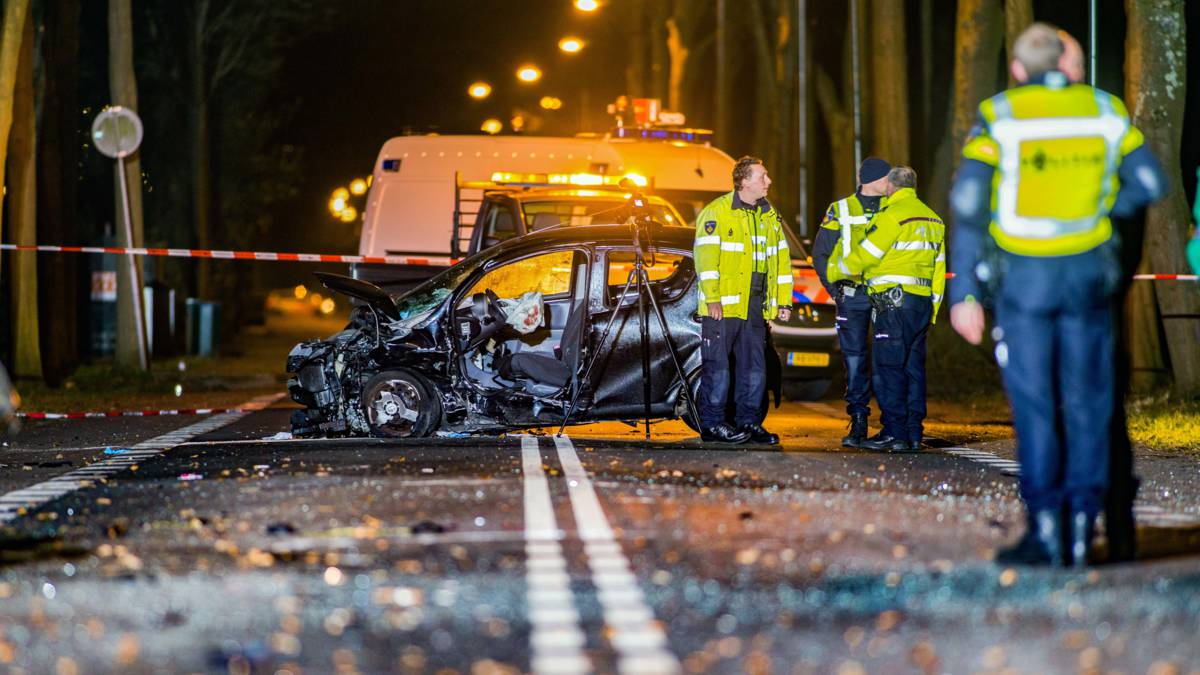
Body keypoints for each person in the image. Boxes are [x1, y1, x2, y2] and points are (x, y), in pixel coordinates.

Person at [948, 24, 1166, 567]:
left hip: (1025, 281)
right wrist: (1098, 212)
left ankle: (1046, 529)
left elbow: (969, 200)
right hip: (1088, 276)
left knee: (1036, 404)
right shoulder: (1105, 110)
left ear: (1019, 69)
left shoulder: (1002, 114)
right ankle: (1084, 528)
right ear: (1066, 66)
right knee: (1091, 402)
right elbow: (1151, 184)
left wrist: (967, 293)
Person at [829, 166, 945, 452]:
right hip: (921, 304)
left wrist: (836, 269)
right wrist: (933, 310)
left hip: (892, 305)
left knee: (888, 369)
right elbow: (940, 270)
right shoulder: (934, 219)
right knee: (913, 370)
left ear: (891, 187)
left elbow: (866, 256)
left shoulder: (892, 216)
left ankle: (894, 432)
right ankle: (914, 432)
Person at [693, 156, 794, 444]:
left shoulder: (768, 215)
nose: (769, 181)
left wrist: (782, 302)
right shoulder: (718, 213)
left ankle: (748, 423)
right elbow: (706, 261)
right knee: (719, 367)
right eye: (763, 176)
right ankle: (713, 424)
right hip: (722, 307)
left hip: (754, 306)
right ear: (745, 181)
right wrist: (713, 299)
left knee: (754, 368)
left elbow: (779, 262)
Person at [812, 157, 891, 447]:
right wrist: (834, 291)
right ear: (872, 179)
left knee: (888, 360)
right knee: (856, 361)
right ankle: (859, 420)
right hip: (853, 296)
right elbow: (821, 254)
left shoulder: (893, 207)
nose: (890, 183)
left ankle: (892, 424)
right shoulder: (840, 210)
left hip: (886, 296)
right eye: (886, 177)